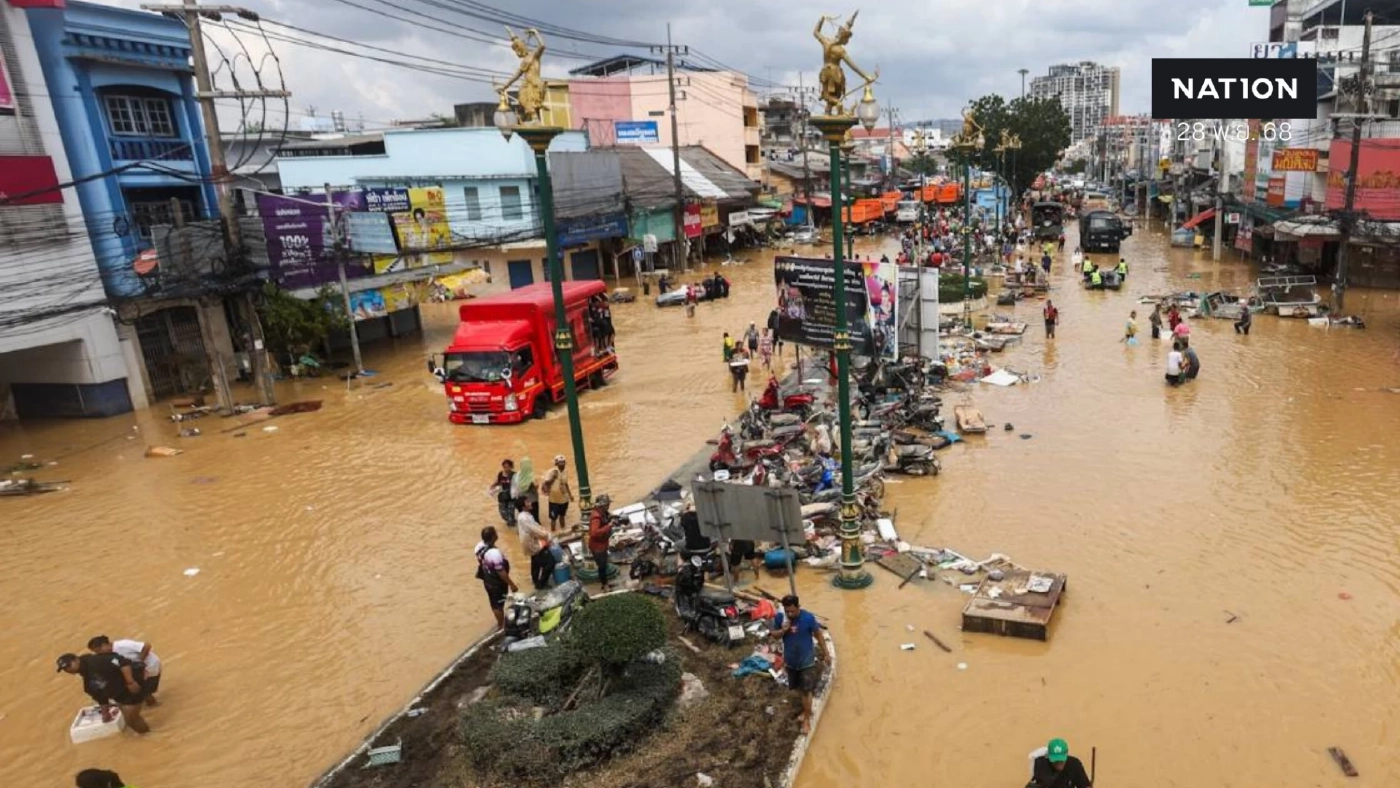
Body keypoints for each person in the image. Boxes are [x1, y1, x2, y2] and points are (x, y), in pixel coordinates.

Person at [769, 594, 828, 734]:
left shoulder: (808, 618)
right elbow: (774, 635)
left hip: (806, 661)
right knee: (799, 689)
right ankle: (807, 710)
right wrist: (783, 630)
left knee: (806, 691)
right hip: (791, 661)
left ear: (798, 607)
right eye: (787, 611)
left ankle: (807, 719)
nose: (790, 614)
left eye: (792, 611)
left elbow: (818, 635)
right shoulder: (781, 618)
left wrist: (826, 653)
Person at [57, 651, 150, 734]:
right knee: (129, 716)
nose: (68, 670)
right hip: (121, 694)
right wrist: (105, 713)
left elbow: (123, 662)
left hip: (132, 686)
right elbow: (100, 696)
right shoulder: (87, 679)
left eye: (69, 666)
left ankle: (146, 736)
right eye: (65, 669)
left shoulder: (96, 661)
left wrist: (130, 682)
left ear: (76, 660)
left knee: (131, 719)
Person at [87, 636, 161, 707]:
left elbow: (146, 646)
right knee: (139, 686)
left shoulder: (123, 645)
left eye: (97, 651)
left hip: (150, 665)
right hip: (137, 667)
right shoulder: (109, 655)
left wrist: (141, 661)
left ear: (104, 645)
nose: (97, 654)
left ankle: (151, 703)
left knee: (144, 688)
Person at [474, 526, 517, 630]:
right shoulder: (494, 554)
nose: (497, 534)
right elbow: (501, 573)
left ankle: (500, 623)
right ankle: (501, 625)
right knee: (498, 605)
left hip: (487, 579)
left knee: (494, 603)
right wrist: (512, 585)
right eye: (495, 533)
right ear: (493, 537)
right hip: (496, 583)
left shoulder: (479, 547)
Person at [515, 497, 554, 590]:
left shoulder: (526, 516)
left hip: (530, 542)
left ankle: (535, 580)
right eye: (527, 502)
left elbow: (536, 527)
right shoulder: (524, 518)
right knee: (550, 562)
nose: (530, 503)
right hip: (532, 544)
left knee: (535, 561)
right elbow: (535, 530)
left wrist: (544, 531)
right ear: (523, 506)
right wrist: (546, 535)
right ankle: (541, 584)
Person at [588, 495, 615, 591]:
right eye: (607, 504)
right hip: (597, 546)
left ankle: (606, 582)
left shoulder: (602, 513)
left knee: (604, 564)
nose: (608, 506)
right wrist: (609, 526)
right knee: (602, 566)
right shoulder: (596, 517)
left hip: (602, 544)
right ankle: (604, 585)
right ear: (602, 505)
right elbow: (594, 533)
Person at [541, 455, 573, 531]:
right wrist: (553, 478)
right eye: (560, 462)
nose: (562, 464)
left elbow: (566, 484)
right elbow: (546, 484)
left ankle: (563, 531)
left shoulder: (565, 472)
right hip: (553, 500)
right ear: (556, 464)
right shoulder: (552, 472)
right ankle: (553, 533)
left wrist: (570, 495)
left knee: (562, 516)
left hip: (564, 499)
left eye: (563, 462)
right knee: (553, 519)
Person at [492, 459, 516, 527]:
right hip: (502, 497)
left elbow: (518, 485)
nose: (506, 469)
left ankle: (512, 527)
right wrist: (492, 486)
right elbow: (497, 482)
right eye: (504, 467)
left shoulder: (514, 475)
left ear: (511, 467)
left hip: (511, 498)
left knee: (510, 514)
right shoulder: (500, 474)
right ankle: (512, 522)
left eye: (508, 467)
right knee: (503, 514)